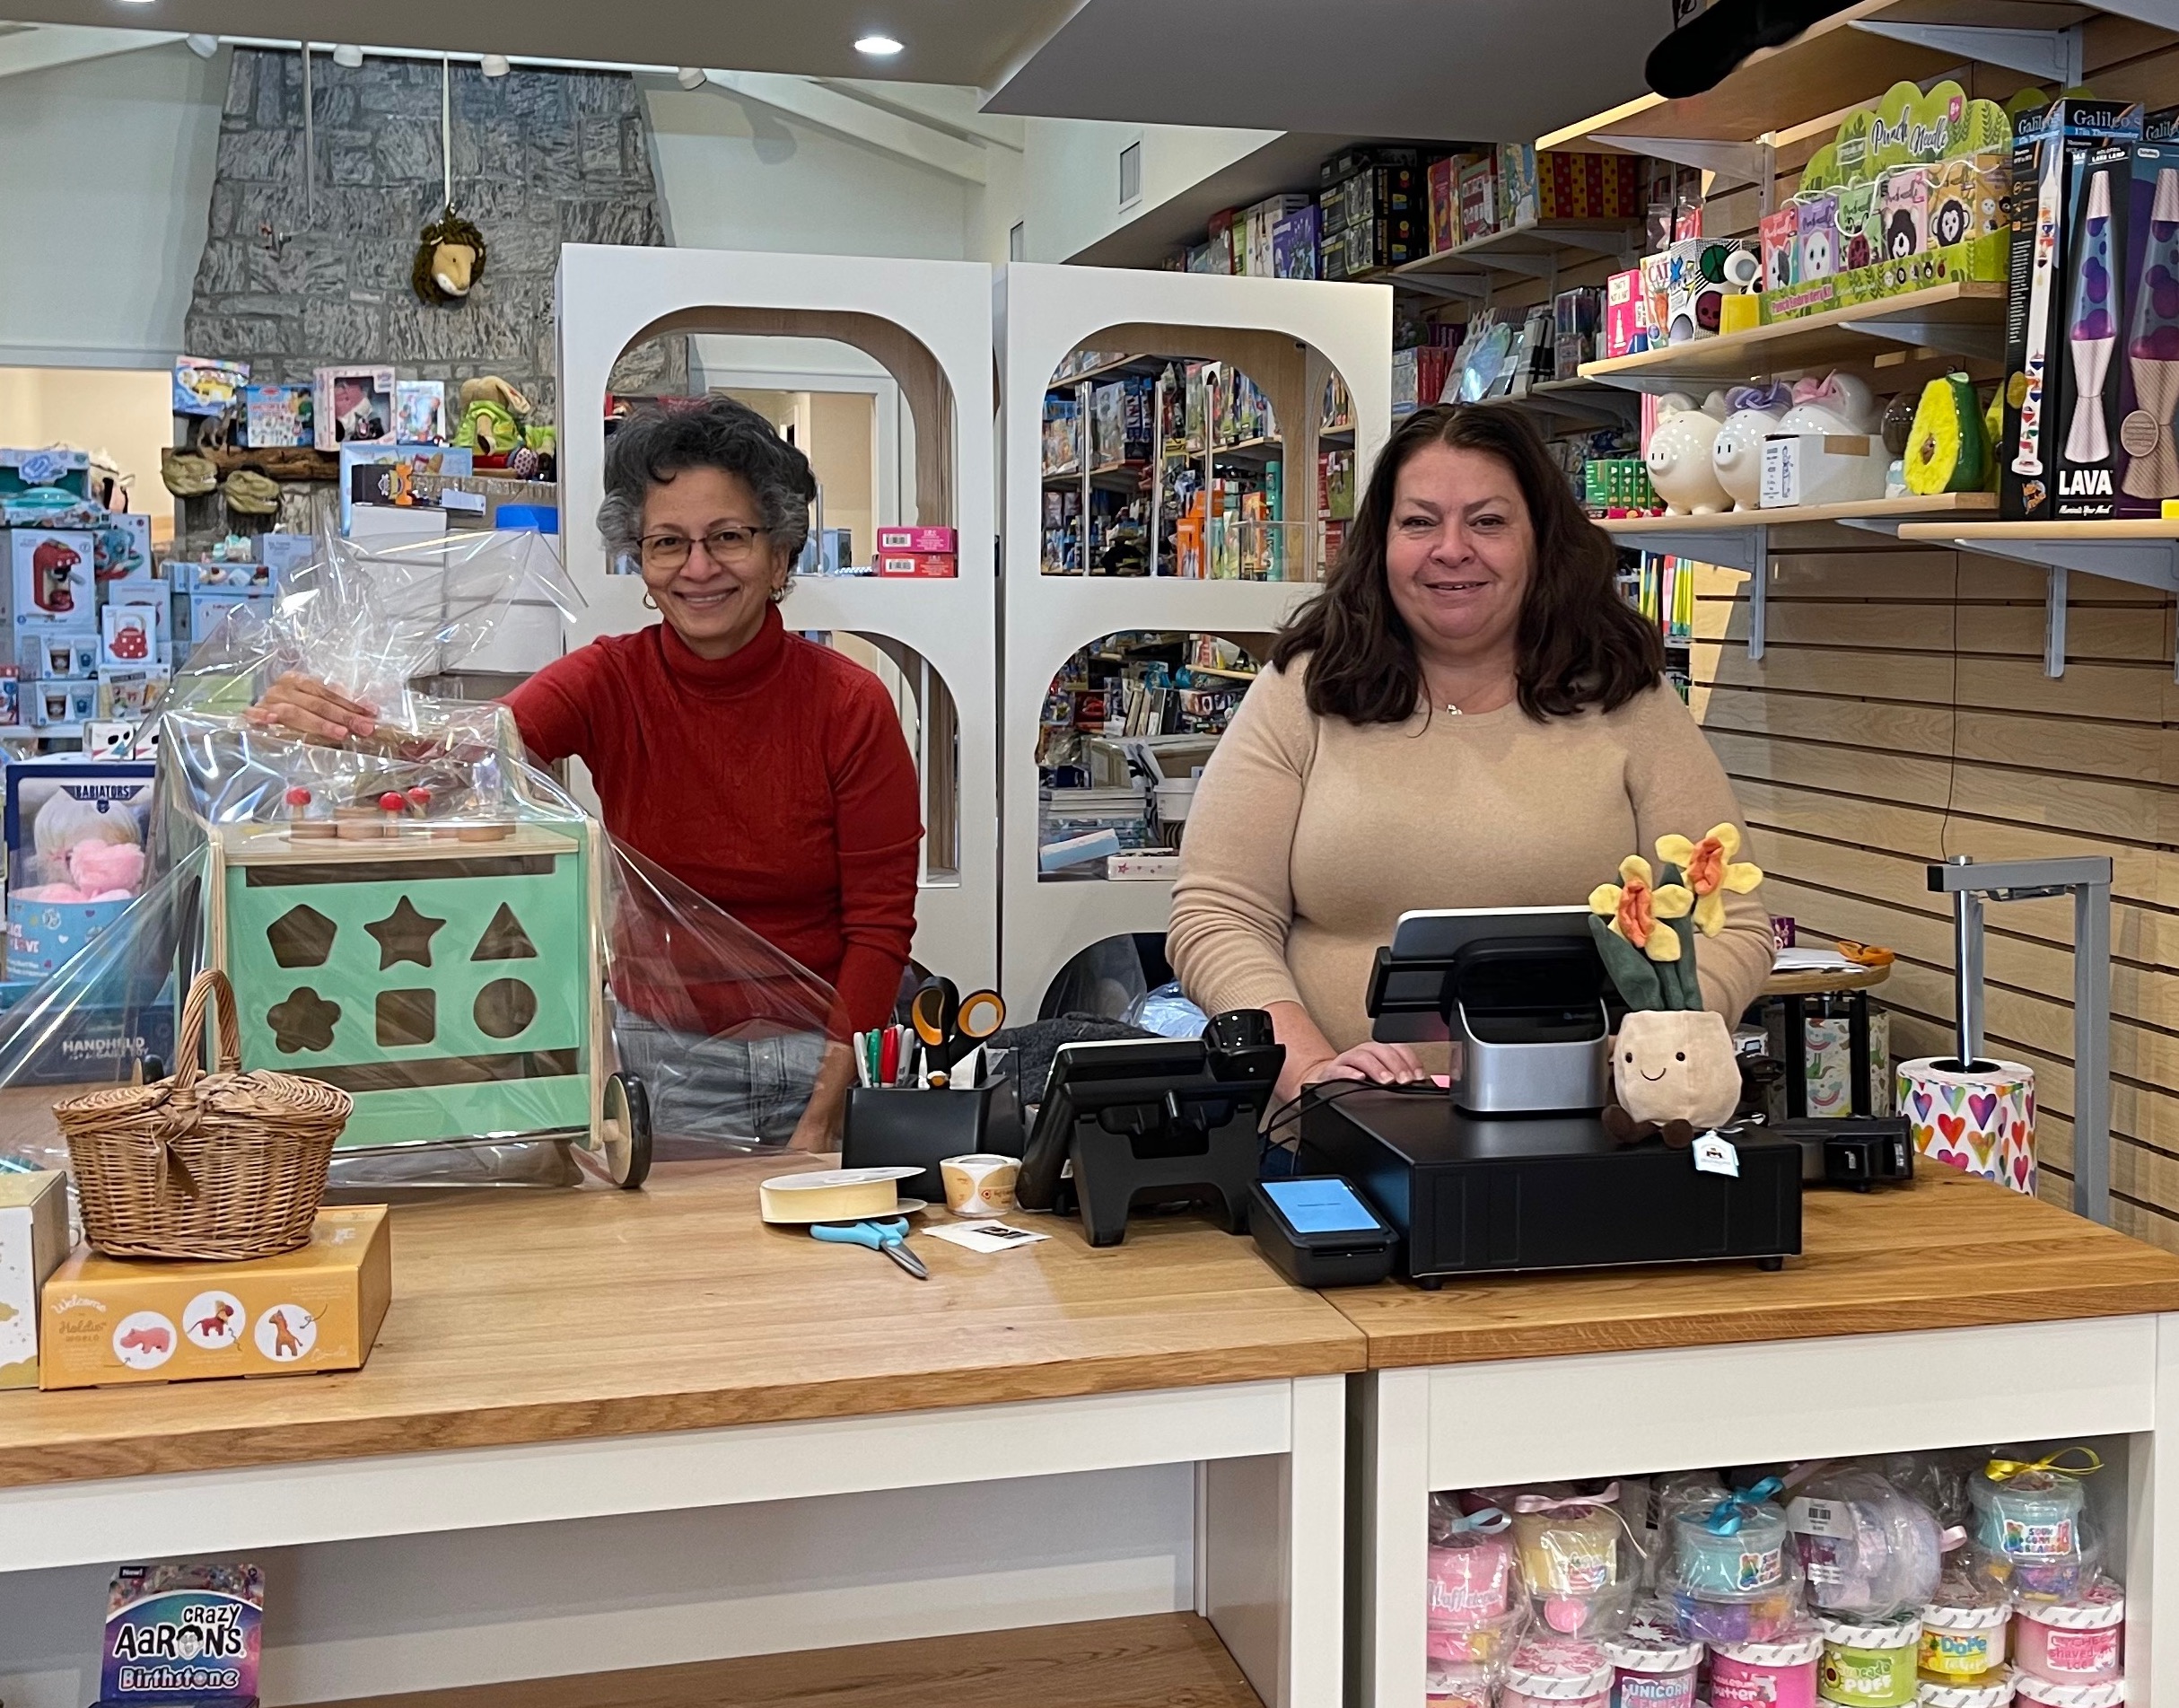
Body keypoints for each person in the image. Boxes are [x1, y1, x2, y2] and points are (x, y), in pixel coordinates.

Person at [255, 397, 922, 1150]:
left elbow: (878, 928)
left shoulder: (849, 704)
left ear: (780, 553)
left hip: (821, 1058)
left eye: (728, 537)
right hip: (662, 1065)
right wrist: (337, 719)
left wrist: (822, 1121)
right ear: (640, 560)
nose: (698, 567)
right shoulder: (612, 680)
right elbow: (463, 747)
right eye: (668, 542)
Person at [1167, 403, 1772, 1108]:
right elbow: (1218, 913)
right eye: (1419, 521)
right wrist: (1310, 1072)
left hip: (1587, 1132)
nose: (1451, 549)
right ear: (1380, 542)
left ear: (1542, 539)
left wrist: (1650, 1059)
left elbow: (1728, 920)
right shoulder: (1306, 689)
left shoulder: (1626, 698)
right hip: (1329, 1132)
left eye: (1487, 521)